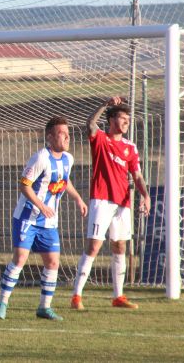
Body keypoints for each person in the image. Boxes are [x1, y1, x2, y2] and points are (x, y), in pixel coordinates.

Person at [0, 116, 87, 321]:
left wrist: (78, 198)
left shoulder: (68, 159)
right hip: (28, 217)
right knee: (19, 259)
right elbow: (24, 185)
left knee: (53, 263)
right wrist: (41, 205)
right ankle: (2, 302)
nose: (67, 137)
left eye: (68, 133)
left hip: (49, 222)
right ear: (50, 136)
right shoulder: (40, 158)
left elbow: (64, 180)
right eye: (62, 133)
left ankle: (44, 307)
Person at [71, 96, 150, 310]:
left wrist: (145, 195)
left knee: (120, 245)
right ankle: (76, 295)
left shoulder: (130, 147)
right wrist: (105, 104)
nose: (126, 123)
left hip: (122, 202)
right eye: (123, 118)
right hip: (101, 200)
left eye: (128, 119)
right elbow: (90, 124)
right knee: (94, 246)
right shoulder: (101, 139)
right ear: (112, 120)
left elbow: (137, 176)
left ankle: (118, 296)